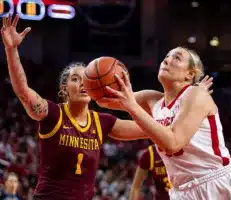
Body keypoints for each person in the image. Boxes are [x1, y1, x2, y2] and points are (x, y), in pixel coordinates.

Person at [1, 15, 213, 200]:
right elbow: (23, 90)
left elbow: (155, 126)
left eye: (85, 79)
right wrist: (11, 50)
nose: (82, 83)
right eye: (75, 79)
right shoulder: (53, 114)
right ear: (64, 88)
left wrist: (188, 97)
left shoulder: (102, 122)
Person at [97, 46, 231, 200]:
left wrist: (131, 106)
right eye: (166, 57)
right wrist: (89, 82)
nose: (167, 60)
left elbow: (173, 143)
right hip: (181, 192)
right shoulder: (153, 100)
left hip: (216, 184)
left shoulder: (196, 93)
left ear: (190, 74)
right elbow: (106, 100)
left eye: (176, 58)